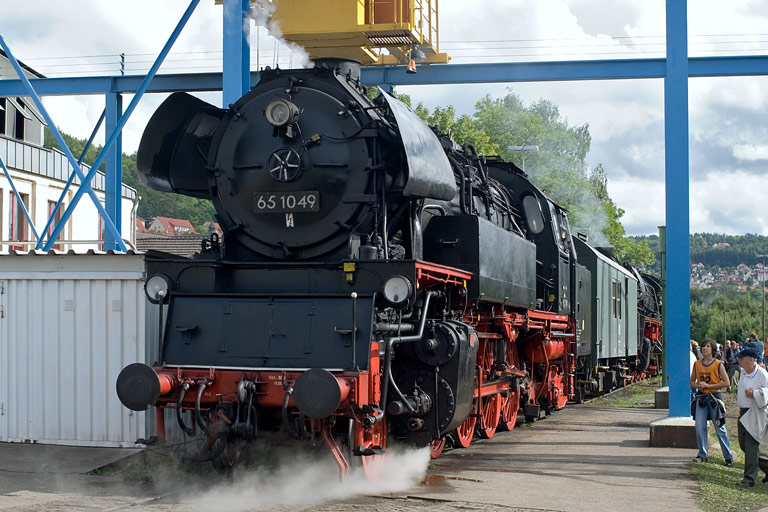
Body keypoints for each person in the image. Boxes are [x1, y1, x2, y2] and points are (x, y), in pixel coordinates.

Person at [689, 338, 734, 466]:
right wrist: (698, 386)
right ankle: (702, 454)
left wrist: (709, 386)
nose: (704, 348)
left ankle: (728, 456)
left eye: (708, 346)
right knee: (699, 426)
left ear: (713, 349)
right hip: (701, 397)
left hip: (714, 398)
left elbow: (726, 382)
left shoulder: (718, 364)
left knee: (720, 427)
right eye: (703, 346)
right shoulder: (697, 364)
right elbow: (691, 381)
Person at [736, 346, 768, 487]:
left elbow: (766, 394)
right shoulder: (743, 372)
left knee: (750, 446)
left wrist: (754, 394)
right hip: (742, 412)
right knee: (744, 445)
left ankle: (749, 478)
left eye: (742, 358)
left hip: (754, 413)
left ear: (751, 359)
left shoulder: (762, 374)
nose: (739, 360)